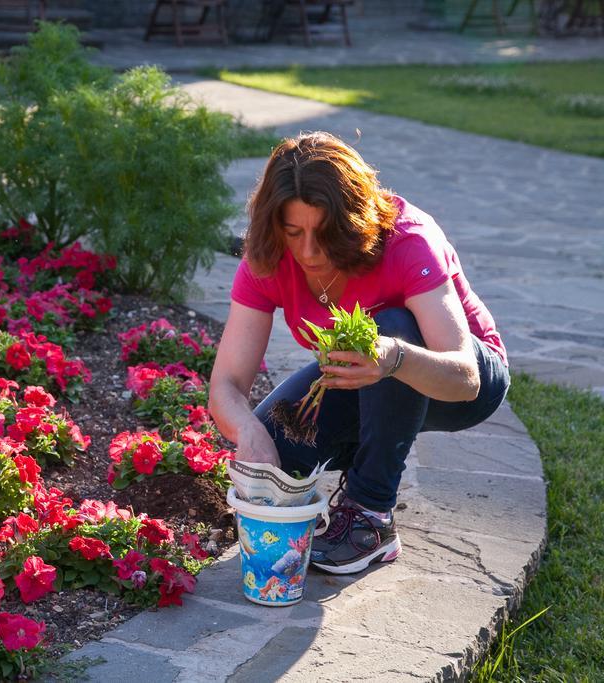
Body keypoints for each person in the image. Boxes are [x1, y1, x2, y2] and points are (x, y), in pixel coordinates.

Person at [208, 132, 510, 575]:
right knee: (279, 447)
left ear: (350, 221)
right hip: (363, 377)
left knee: (388, 326)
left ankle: (371, 514)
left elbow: (466, 379)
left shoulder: (407, 240)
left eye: (324, 232)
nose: (308, 252)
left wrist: (393, 358)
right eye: (294, 232)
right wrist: (248, 431)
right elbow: (226, 385)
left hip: (460, 382)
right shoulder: (267, 256)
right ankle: (372, 440)